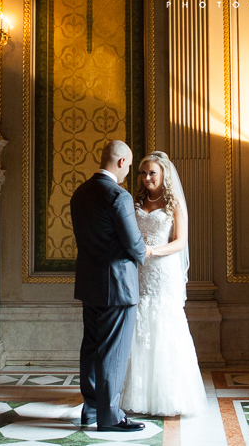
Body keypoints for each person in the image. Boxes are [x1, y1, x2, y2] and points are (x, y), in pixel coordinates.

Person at [120, 151, 208, 416]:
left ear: (163, 175)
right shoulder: (136, 200)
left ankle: (168, 396)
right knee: (140, 324)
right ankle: (137, 394)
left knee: (164, 323)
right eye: (143, 173)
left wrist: (152, 251)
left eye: (152, 173)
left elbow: (180, 242)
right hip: (139, 270)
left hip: (163, 269)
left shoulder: (174, 204)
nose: (146, 177)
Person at [70, 140, 147, 432]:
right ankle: (110, 416)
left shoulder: (80, 193)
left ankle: (90, 409)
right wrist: (145, 252)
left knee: (91, 347)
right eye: (129, 165)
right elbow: (132, 243)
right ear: (122, 162)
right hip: (117, 286)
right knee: (113, 351)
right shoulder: (118, 195)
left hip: (89, 282)